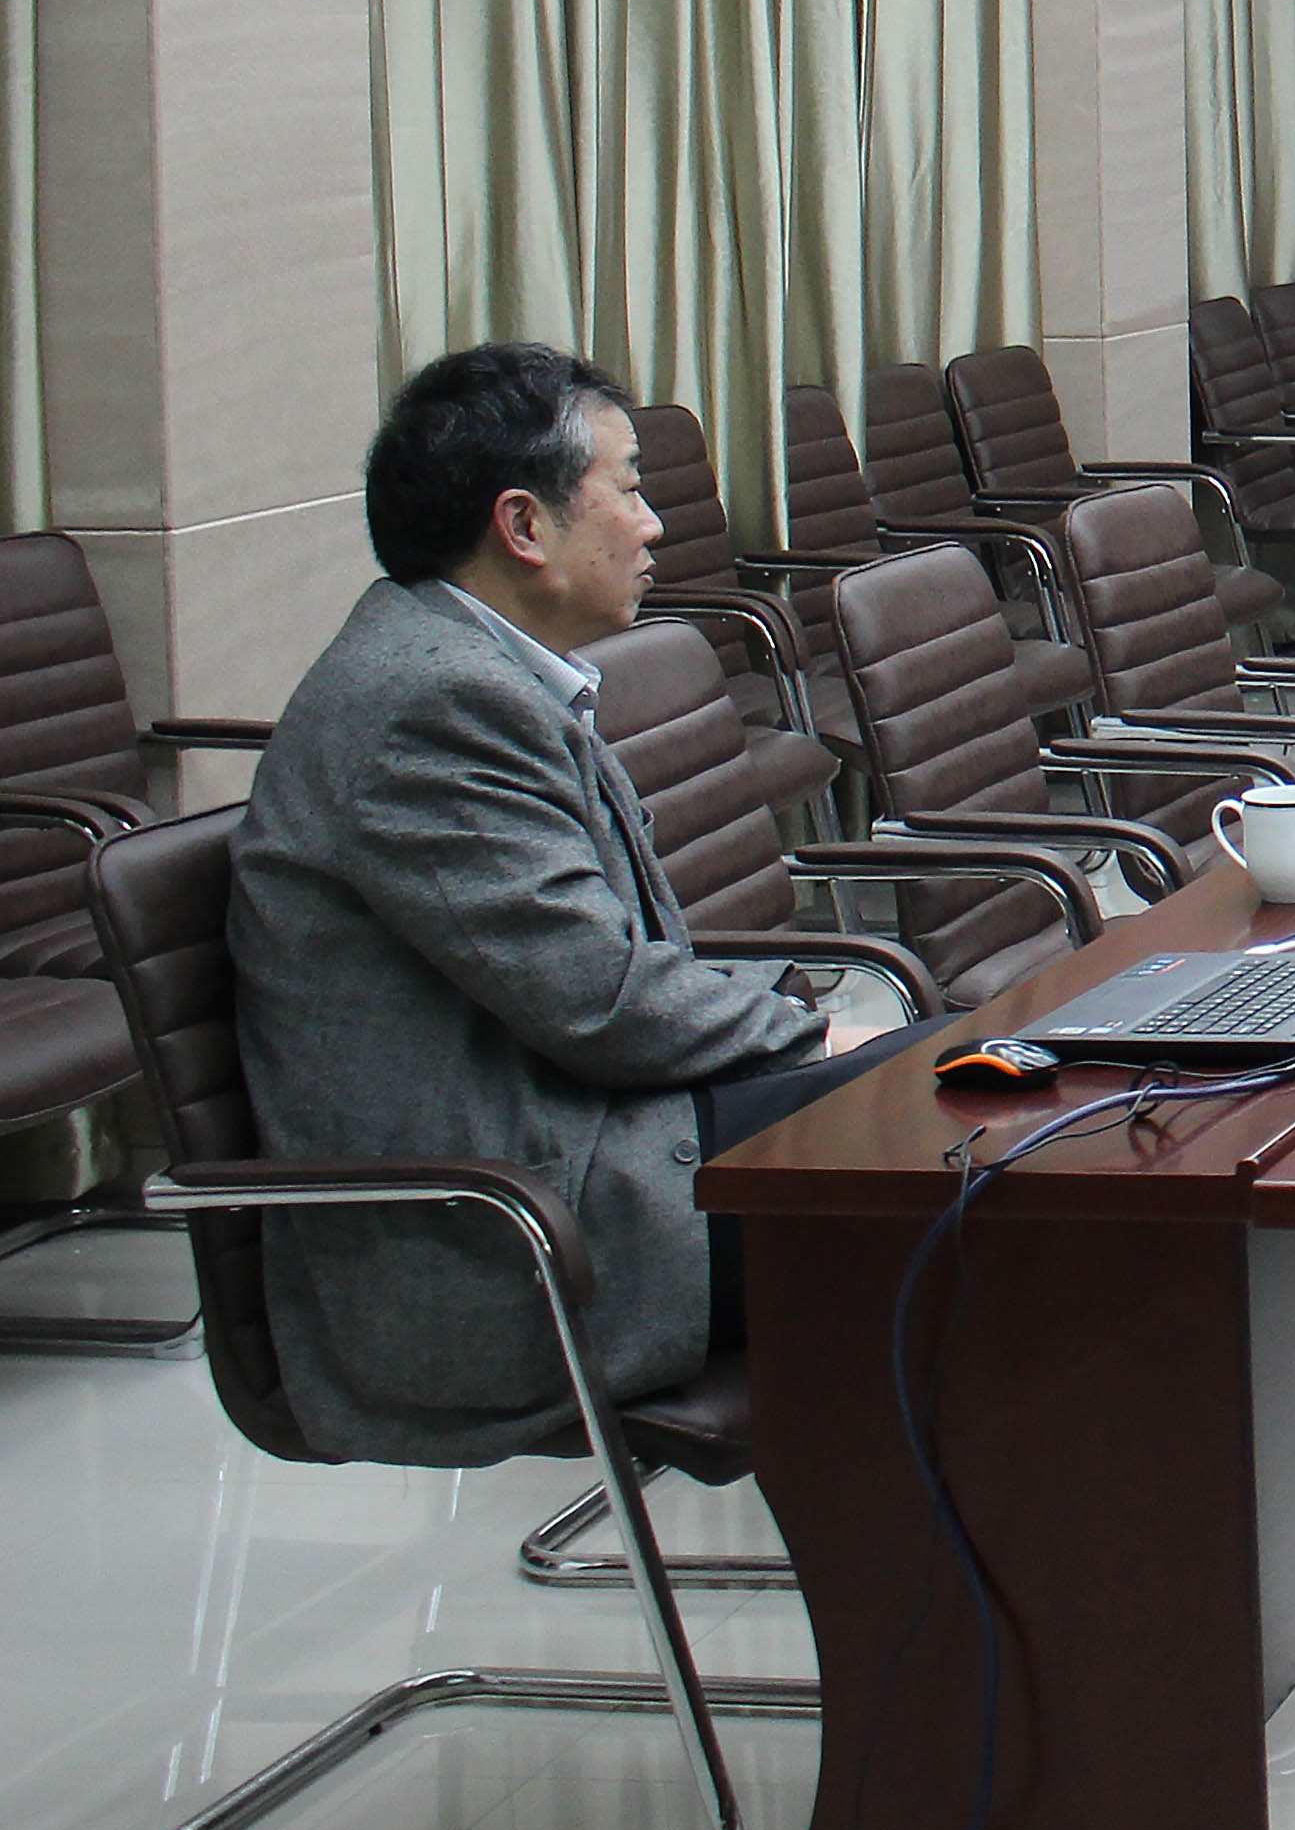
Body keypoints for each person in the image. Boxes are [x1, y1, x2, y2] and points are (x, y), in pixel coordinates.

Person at [231, 345, 923, 1462]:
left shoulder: (470, 667)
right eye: (629, 488)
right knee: (968, 1120)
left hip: (587, 1149)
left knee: (978, 1090)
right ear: (523, 525)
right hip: (512, 1241)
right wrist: (808, 1036)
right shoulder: (431, 700)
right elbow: (598, 999)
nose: (654, 525)